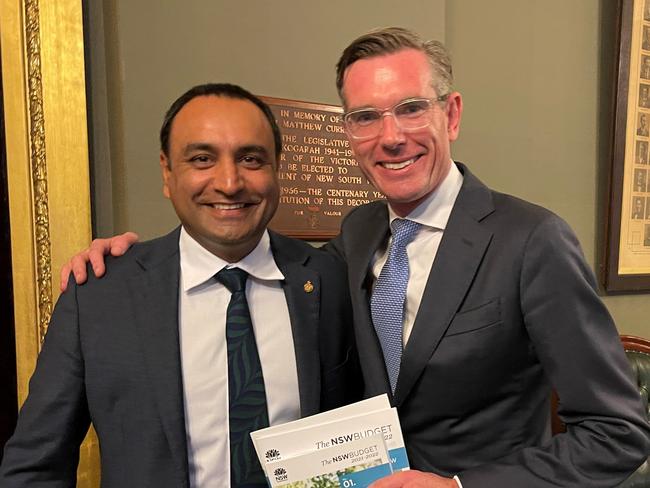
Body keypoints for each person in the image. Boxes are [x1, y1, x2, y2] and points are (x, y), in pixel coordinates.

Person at [60, 28, 650, 487]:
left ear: (452, 113)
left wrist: (463, 485)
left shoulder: (532, 240)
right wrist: (135, 261)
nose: (390, 136)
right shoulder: (359, 232)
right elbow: (260, 256)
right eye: (366, 117)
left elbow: (617, 433)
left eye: (411, 108)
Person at [0, 84, 360, 487]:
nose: (229, 181)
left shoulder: (332, 281)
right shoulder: (100, 295)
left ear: (277, 169)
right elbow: (35, 466)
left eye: (251, 158)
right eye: (202, 158)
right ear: (167, 173)